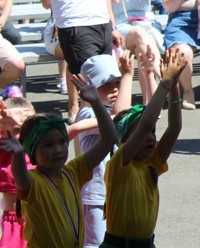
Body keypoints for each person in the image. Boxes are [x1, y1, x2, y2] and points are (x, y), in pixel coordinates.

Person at [0, 75, 116, 247]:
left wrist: (97, 103)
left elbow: (109, 139)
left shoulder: (74, 171)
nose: (58, 150)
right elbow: (20, 177)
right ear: (32, 151)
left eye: (62, 142)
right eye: (48, 145)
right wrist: (17, 155)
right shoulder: (34, 181)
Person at [102, 49, 186, 247]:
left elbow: (174, 128)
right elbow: (147, 122)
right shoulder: (119, 164)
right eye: (141, 134)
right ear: (126, 140)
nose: (150, 138)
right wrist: (164, 83)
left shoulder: (151, 163)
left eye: (153, 133)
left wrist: (173, 86)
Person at [72, 53, 133, 248]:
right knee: (95, 243)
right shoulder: (86, 114)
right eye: (106, 84)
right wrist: (127, 77)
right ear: (89, 88)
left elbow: (134, 115)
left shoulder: (103, 112)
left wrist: (148, 76)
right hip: (95, 195)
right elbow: (121, 117)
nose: (115, 88)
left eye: (117, 83)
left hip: (112, 191)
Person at [106, 0, 164, 103]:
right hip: (122, 26)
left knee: (142, 51)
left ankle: (149, 103)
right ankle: (165, 76)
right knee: (139, 35)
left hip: (146, 25)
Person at [0, 96, 36, 245]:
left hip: (39, 218)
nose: (24, 133)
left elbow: (75, 128)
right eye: (17, 129)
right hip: (14, 221)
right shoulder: (3, 149)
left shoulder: (39, 148)